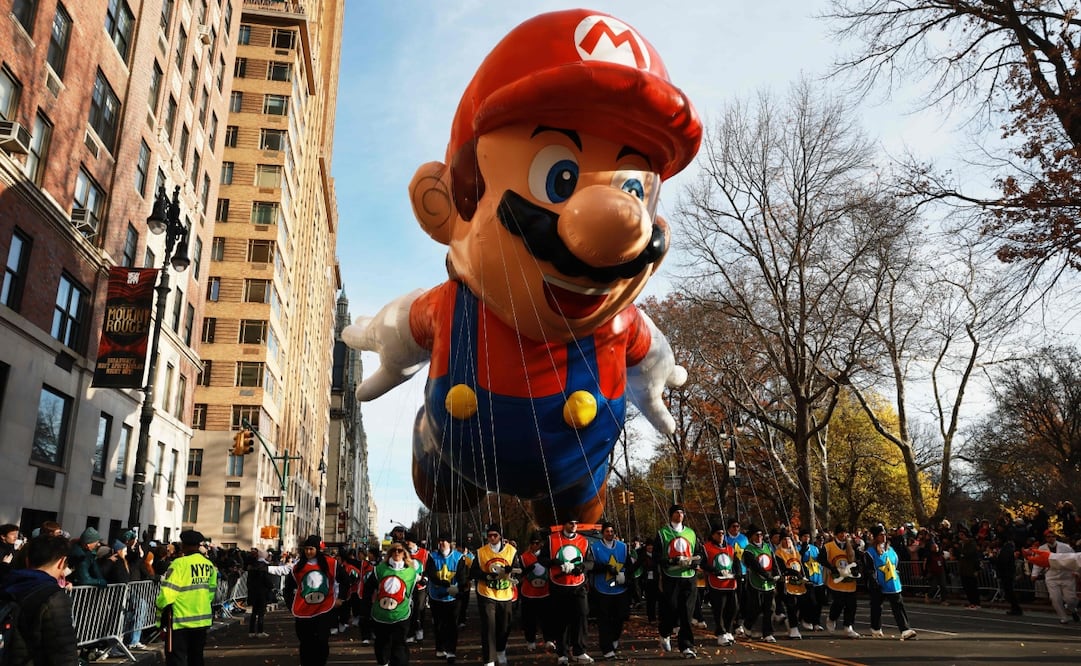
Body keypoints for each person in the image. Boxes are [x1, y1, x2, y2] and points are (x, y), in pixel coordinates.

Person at [267, 535, 349, 666]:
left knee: (321, 642)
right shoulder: (298, 567)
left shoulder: (331, 564)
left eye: (311, 549)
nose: (308, 552)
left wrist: (340, 598)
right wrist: (291, 606)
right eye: (306, 549)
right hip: (304, 611)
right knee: (306, 643)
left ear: (317, 549)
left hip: (324, 609)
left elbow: (345, 580)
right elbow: (288, 589)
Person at [0, 534, 78, 666]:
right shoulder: (53, 597)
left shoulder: (7, 585)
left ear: (27, 560)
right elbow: (63, 651)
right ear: (61, 561)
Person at [155, 530, 217, 666]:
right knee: (196, 658)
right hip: (201, 620)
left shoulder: (179, 564)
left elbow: (167, 594)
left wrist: (159, 608)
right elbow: (211, 591)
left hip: (180, 620)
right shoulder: (208, 564)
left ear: (184, 545)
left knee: (177, 659)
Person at [544, 517, 594, 664]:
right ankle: (562, 653)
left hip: (578, 585)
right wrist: (555, 562)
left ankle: (579, 651)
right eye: (570, 523)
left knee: (582, 614)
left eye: (575, 524)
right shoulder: (552, 539)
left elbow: (590, 562)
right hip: (559, 585)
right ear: (564, 524)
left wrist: (582, 567)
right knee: (561, 620)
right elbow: (542, 560)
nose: (573, 526)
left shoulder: (584, 541)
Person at [655, 504, 700, 658]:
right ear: (671, 515)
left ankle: (686, 646)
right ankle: (664, 631)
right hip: (671, 577)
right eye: (676, 512)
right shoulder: (662, 533)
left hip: (689, 577)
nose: (679, 514)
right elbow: (657, 556)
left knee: (686, 613)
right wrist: (672, 561)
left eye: (681, 512)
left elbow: (698, 553)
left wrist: (694, 562)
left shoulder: (691, 533)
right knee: (672, 609)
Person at [471, 524, 519, 666]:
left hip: (505, 594)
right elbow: (473, 572)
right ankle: (489, 659)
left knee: (504, 626)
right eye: (489, 535)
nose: (492, 538)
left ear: (500, 536)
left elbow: (518, 569)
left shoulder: (511, 550)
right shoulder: (481, 552)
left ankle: (501, 650)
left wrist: (511, 570)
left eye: (495, 535)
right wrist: (486, 576)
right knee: (488, 626)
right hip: (487, 593)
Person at [366, 542, 419, 666]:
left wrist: (415, 619)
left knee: (399, 648)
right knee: (382, 645)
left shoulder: (411, 573)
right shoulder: (379, 569)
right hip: (381, 615)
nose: (396, 553)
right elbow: (368, 590)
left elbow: (413, 597)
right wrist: (366, 610)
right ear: (389, 553)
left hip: (401, 616)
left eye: (400, 551)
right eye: (394, 550)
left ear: (404, 554)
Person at [589, 522, 635, 659]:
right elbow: (590, 566)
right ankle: (607, 648)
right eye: (607, 531)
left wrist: (627, 578)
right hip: (602, 589)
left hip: (620, 589)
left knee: (620, 617)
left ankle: (614, 639)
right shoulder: (594, 548)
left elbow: (629, 566)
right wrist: (605, 568)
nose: (610, 533)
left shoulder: (623, 547)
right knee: (604, 620)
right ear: (602, 533)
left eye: (612, 531)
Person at [866, 526, 917, 640]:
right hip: (878, 583)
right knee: (876, 607)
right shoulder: (870, 552)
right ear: (875, 537)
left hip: (892, 582)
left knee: (898, 605)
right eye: (880, 534)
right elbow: (869, 569)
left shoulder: (891, 549)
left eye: (884, 534)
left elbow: (896, 562)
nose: (883, 536)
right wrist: (874, 582)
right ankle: (876, 628)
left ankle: (905, 629)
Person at [425, 533, 467, 663]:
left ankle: (451, 651)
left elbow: (462, 576)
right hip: (436, 596)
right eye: (440, 541)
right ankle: (439, 648)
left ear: (450, 543)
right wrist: (440, 582)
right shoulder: (432, 556)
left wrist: (459, 588)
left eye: (445, 541)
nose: (442, 543)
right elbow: (430, 573)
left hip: (453, 597)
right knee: (438, 624)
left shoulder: (459, 557)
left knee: (452, 625)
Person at [1028, 529, 1080, 624]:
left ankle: (1072, 609)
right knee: (1055, 598)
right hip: (1051, 576)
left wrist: (1076, 571)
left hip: (1066, 575)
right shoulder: (1042, 549)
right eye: (1048, 537)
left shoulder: (1065, 547)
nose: (1051, 538)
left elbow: (1074, 558)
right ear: (1045, 538)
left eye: (1053, 536)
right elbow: (1037, 562)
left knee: (1070, 599)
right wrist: (1034, 574)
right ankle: (1063, 617)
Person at [819, 526, 860, 639]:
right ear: (836, 534)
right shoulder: (828, 546)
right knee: (839, 603)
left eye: (844, 533)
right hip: (835, 580)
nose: (843, 535)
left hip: (849, 580)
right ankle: (832, 618)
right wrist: (831, 568)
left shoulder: (851, 546)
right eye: (841, 533)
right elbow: (821, 559)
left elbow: (856, 560)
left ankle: (848, 626)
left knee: (851, 605)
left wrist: (856, 569)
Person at [701, 524, 739, 646]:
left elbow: (736, 563)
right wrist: (715, 571)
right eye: (718, 533)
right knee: (719, 608)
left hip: (730, 581)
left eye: (722, 533)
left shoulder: (730, 548)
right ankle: (721, 632)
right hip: (716, 581)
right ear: (713, 535)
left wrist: (737, 574)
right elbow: (703, 564)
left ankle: (728, 629)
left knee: (733, 607)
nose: (721, 536)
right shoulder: (706, 548)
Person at [741, 526, 778, 643]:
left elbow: (774, 562)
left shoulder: (768, 547)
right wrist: (766, 575)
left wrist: (776, 574)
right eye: (756, 535)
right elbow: (754, 565)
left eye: (761, 535)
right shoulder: (748, 550)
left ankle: (768, 633)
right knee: (756, 607)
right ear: (751, 537)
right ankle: (747, 625)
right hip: (755, 581)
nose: (759, 537)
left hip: (769, 582)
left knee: (770, 608)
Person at [519, 530, 555, 651]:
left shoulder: (546, 556)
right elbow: (519, 574)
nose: (535, 545)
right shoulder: (523, 557)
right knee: (529, 620)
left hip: (545, 592)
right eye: (533, 543)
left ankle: (549, 639)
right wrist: (527, 570)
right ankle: (530, 640)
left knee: (547, 618)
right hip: (529, 593)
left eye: (538, 543)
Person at [773, 531, 805, 639]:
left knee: (800, 604)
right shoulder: (778, 553)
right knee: (791, 605)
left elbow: (801, 565)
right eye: (784, 539)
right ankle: (793, 628)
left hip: (798, 583)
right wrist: (794, 573)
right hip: (785, 583)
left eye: (788, 539)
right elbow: (782, 569)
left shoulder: (796, 552)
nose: (787, 541)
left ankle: (792, 621)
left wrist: (803, 576)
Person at [797, 530, 825, 632]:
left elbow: (820, 560)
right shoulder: (798, 548)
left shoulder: (815, 549)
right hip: (807, 580)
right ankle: (806, 619)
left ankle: (816, 623)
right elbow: (798, 559)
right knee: (811, 602)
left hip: (818, 578)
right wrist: (803, 549)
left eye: (808, 536)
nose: (806, 538)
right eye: (804, 536)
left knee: (819, 603)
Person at [404, 533, 430, 643]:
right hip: (408, 586)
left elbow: (429, 568)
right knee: (409, 609)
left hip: (420, 585)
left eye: (408, 541)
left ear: (413, 542)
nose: (406, 543)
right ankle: (410, 633)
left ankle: (419, 628)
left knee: (419, 608)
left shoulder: (425, 553)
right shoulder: (404, 553)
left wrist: (425, 578)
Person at [246, 549, 275, 638]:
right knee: (261, 612)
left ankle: (251, 631)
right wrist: (271, 586)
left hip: (253, 592)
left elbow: (248, 581)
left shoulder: (252, 567)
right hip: (263, 592)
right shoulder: (265, 567)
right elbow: (267, 580)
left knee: (254, 612)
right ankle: (260, 631)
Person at [994, 538, 1023, 616]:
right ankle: (1015, 608)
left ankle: (1016, 608)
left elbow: (1002, 562)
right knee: (1009, 591)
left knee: (1009, 592)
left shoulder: (1005, 550)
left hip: (1006, 574)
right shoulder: (1008, 550)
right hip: (1008, 573)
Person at [955, 529, 982, 609]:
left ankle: (976, 603)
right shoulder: (961, 544)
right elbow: (959, 555)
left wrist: (976, 569)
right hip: (963, 568)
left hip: (971, 568)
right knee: (966, 586)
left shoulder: (971, 543)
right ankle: (971, 602)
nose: (961, 537)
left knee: (972, 586)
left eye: (962, 535)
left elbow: (970, 553)